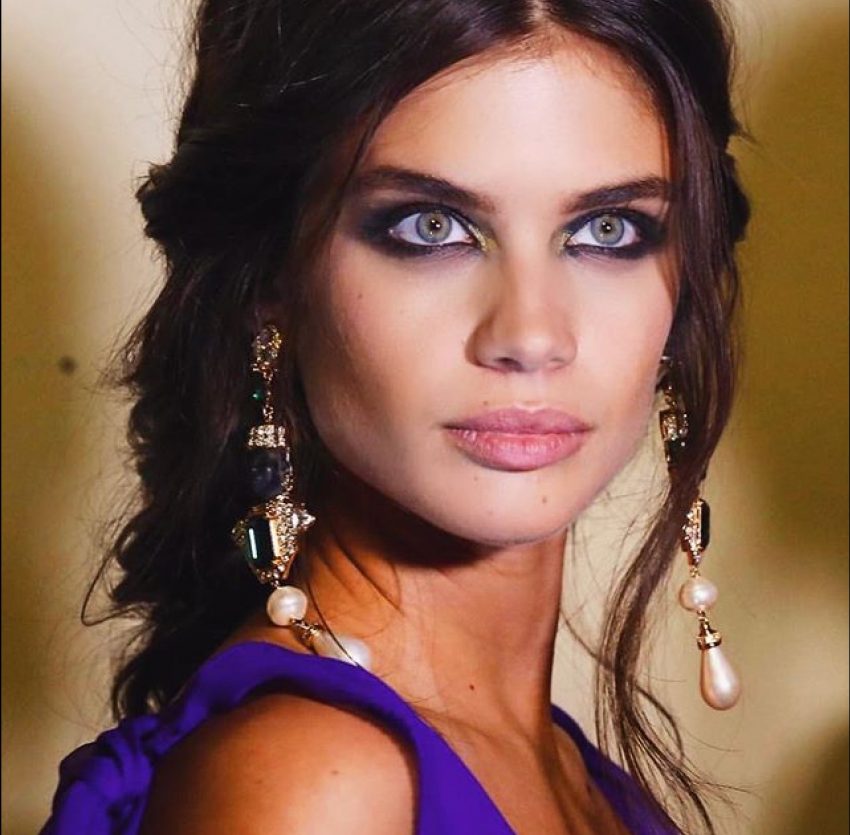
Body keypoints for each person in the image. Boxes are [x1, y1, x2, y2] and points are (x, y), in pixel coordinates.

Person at [40, 0, 751, 832]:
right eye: (431, 226)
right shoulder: (315, 785)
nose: (531, 336)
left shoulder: (571, 775)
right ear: (273, 275)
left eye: (608, 229)